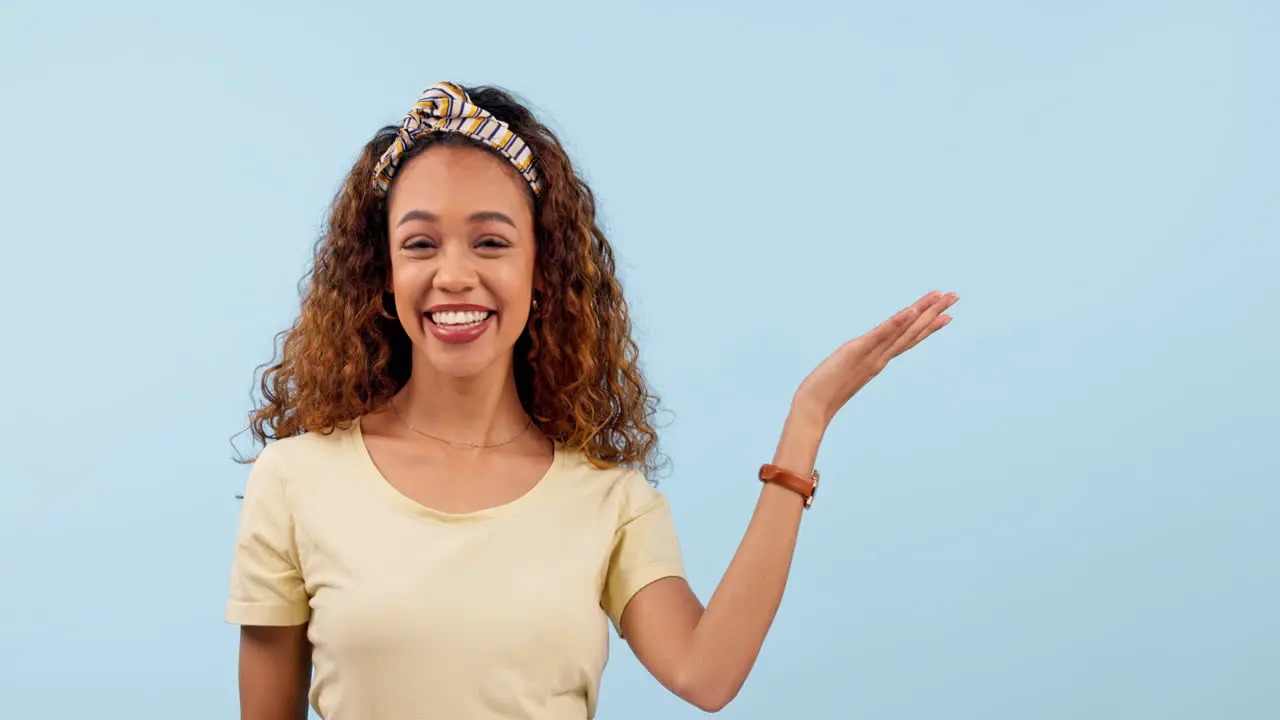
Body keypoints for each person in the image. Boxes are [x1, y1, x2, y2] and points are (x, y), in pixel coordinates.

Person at [226, 81, 958, 720]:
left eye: (490, 243)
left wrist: (808, 418)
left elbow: (707, 675)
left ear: (543, 268)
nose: (453, 275)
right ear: (381, 272)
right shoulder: (295, 480)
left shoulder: (609, 500)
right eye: (420, 245)